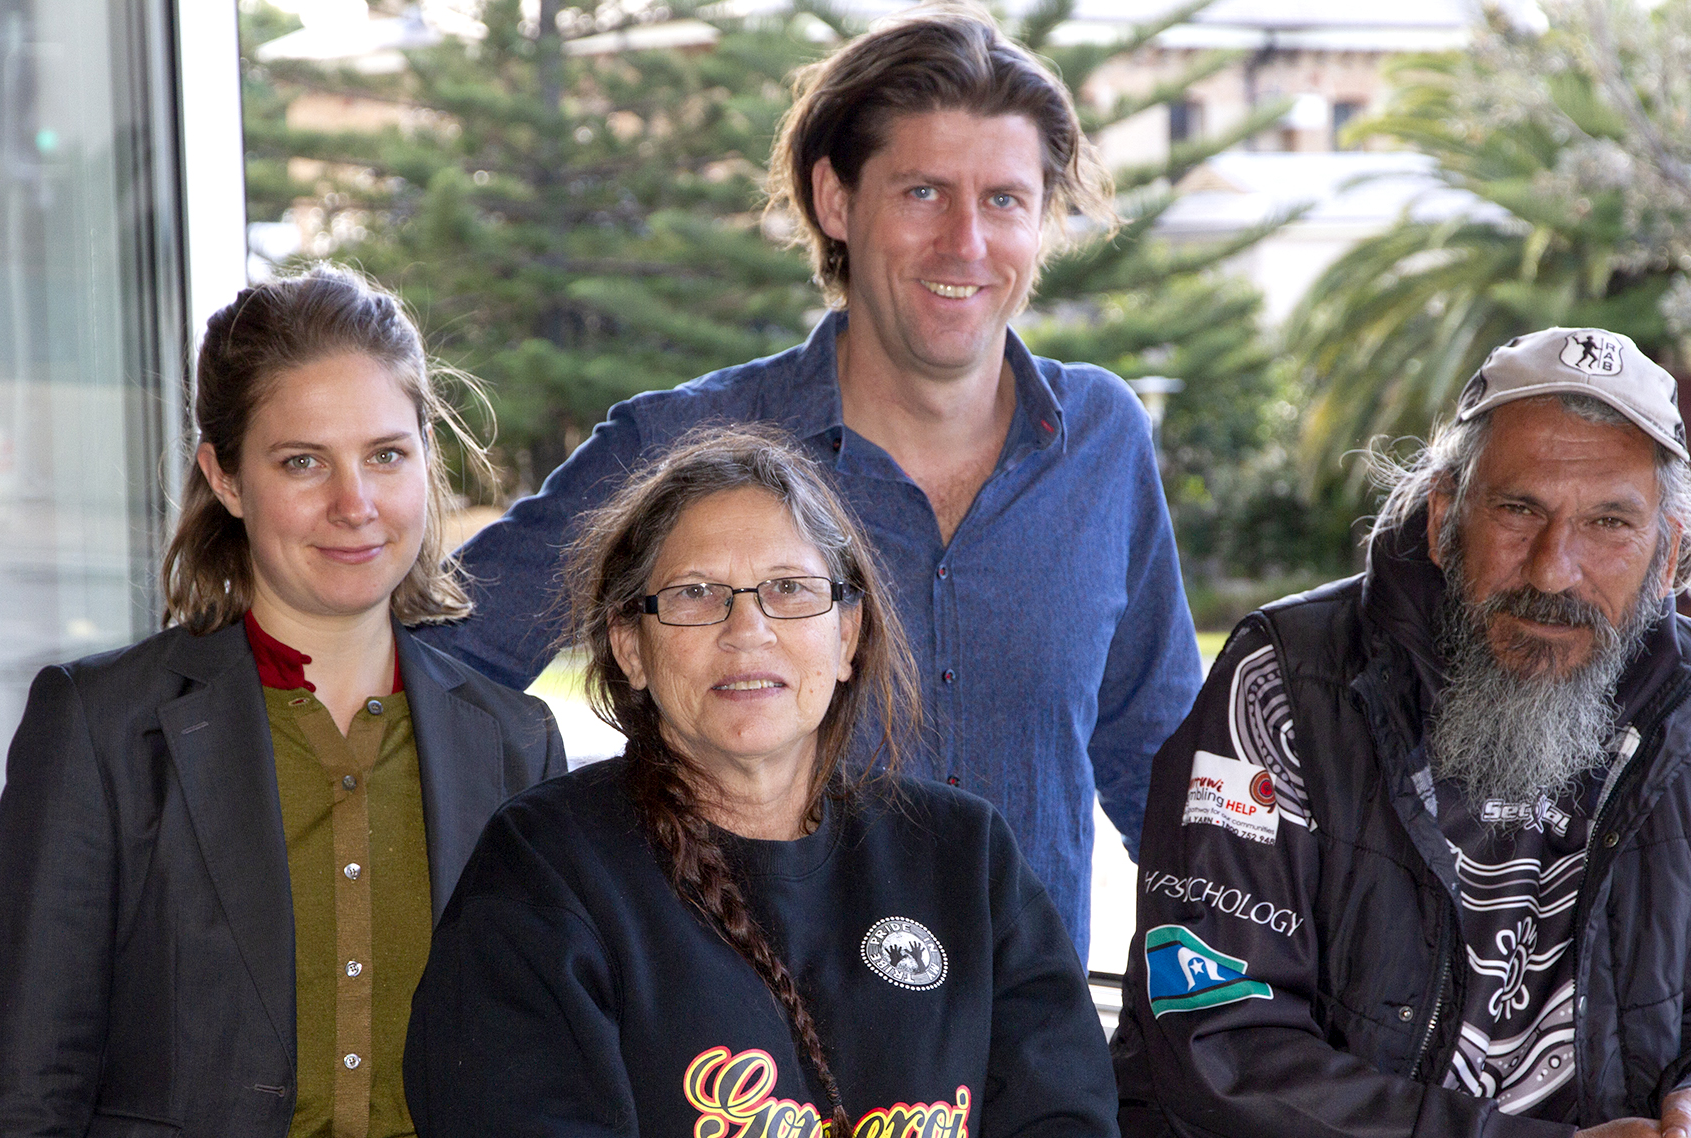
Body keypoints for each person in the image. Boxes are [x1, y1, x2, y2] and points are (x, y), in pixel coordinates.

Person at [415, 3, 1203, 959]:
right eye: (922, 193)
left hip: (1016, 1067)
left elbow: (1163, 782)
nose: (967, 241)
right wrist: (561, 884)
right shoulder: (687, 445)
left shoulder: (1102, 441)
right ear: (836, 201)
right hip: (739, 1082)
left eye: (1005, 199)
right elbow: (439, 668)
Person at [1110, 327, 1691, 1138]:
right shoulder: (1280, 682)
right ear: (1442, 515)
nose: (1554, 569)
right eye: (1517, 509)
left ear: (1665, 551)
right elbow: (1218, 1037)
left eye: (1609, 522)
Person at [405, 430, 1123, 1138]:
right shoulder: (546, 874)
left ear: (849, 632)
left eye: (790, 590)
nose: (748, 631)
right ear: (630, 645)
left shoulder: (965, 861)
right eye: (696, 595)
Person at [0, 267, 566, 1138]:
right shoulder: (103, 726)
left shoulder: (512, 741)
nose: (356, 504)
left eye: (386, 455)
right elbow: (32, 1104)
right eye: (303, 462)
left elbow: (551, 1087)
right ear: (227, 476)